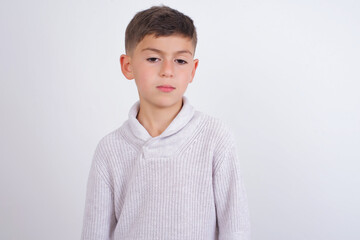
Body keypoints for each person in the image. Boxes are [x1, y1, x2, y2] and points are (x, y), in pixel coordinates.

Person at [81, 5, 250, 240]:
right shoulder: (109, 150)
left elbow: (236, 228)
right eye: (153, 58)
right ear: (127, 66)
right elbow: (95, 234)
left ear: (193, 70)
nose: (167, 71)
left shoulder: (215, 137)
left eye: (180, 61)